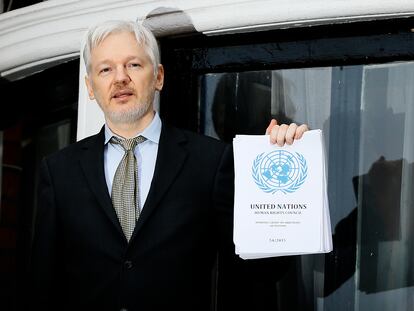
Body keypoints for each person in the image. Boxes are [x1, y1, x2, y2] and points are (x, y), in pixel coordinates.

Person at [29, 20, 308, 311]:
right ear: (90, 86)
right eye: (105, 69)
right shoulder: (59, 172)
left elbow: (263, 271)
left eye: (134, 65)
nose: (120, 78)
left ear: (158, 76)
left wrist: (280, 164)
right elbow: (42, 289)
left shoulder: (210, 162)